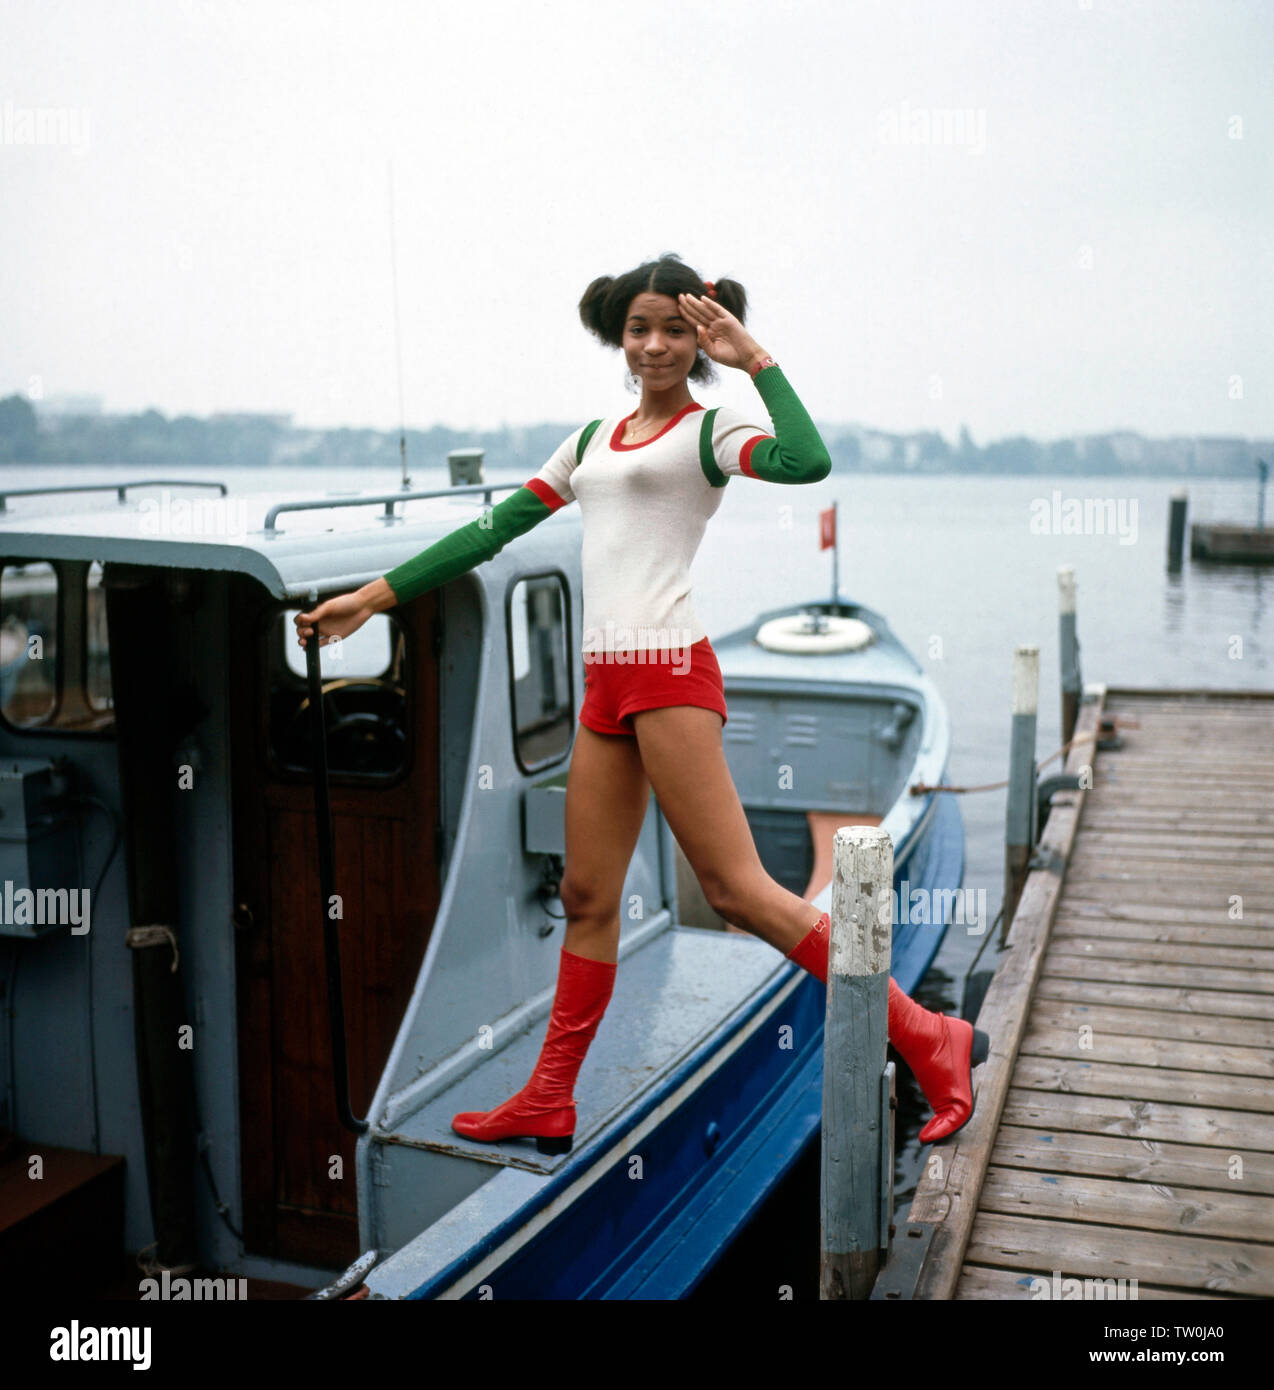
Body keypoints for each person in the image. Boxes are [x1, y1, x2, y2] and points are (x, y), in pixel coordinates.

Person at [294, 253, 988, 1156]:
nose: (654, 344)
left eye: (673, 328)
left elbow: (807, 460)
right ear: (618, 337)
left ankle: (928, 1034)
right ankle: (549, 1098)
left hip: (669, 675)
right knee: (586, 894)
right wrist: (370, 598)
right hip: (606, 687)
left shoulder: (712, 432)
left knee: (738, 891)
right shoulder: (591, 441)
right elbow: (490, 530)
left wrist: (754, 360)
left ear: (698, 337)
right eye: (638, 328)